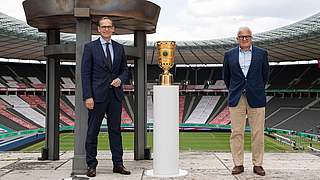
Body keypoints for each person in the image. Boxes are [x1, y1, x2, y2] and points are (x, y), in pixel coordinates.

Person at [81, 17, 130, 177]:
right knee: (92, 132)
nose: (106, 29)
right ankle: (91, 165)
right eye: (104, 27)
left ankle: (118, 164)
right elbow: (85, 73)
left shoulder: (119, 48)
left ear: (113, 29)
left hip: (115, 96)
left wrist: (120, 79)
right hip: (96, 96)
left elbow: (125, 70)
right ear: (99, 29)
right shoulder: (90, 48)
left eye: (109, 27)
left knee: (115, 131)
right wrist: (88, 96)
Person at [223, 27, 269, 176]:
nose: (244, 39)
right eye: (241, 37)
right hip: (237, 98)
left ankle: (258, 164)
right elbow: (226, 77)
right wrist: (236, 88)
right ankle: (238, 164)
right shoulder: (229, 55)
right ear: (237, 39)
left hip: (256, 97)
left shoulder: (262, 54)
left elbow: (265, 75)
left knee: (258, 133)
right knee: (236, 132)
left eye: (247, 36)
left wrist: (255, 87)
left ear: (251, 38)